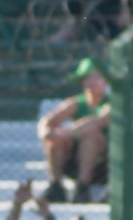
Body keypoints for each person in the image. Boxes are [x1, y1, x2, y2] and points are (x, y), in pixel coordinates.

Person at [37, 57, 110, 204]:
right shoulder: (76, 102)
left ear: (106, 81)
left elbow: (96, 122)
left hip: (103, 164)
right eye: (88, 78)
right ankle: (56, 186)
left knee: (91, 136)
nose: (92, 82)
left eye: (97, 77)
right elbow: (47, 121)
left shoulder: (111, 104)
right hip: (73, 161)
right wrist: (46, 133)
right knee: (54, 140)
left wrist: (66, 133)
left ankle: (82, 187)